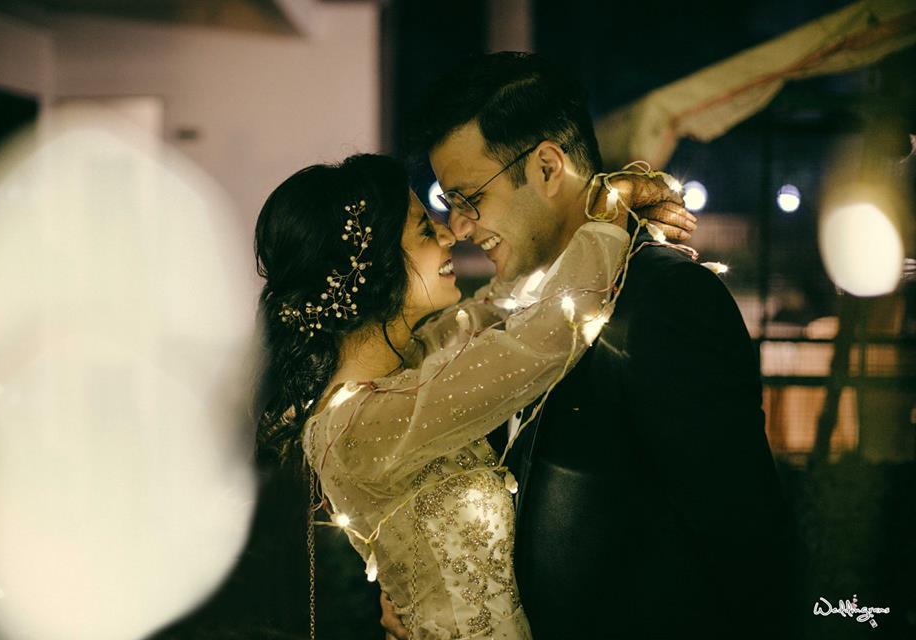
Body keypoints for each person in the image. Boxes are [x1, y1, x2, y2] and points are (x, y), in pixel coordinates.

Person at [380, 52, 799, 639]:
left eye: (469, 196)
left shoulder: (665, 299)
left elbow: (743, 540)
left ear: (547, 168)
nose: (463, 227)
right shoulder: (517, 309)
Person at [253, 153, 694, 639]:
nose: (449, 234)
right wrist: (611, 214)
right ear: (371, 264)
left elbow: (502, 305)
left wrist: (588, 198)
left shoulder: (417, 358)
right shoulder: (358, 424)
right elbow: (537, 341)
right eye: (425, 229)